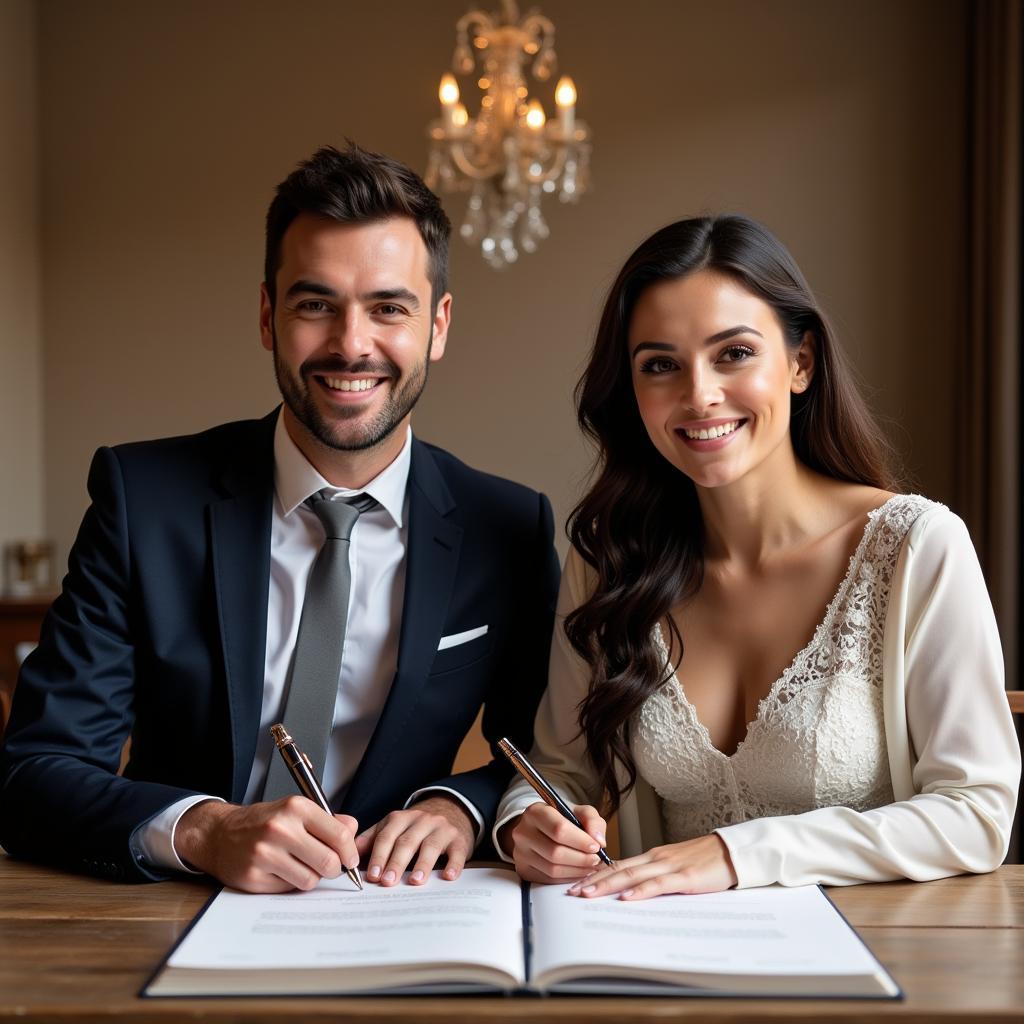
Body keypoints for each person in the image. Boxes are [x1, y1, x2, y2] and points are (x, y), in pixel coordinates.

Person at [0, 144, 560, 893]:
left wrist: (460, 806)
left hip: (398, 910)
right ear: (269, 316)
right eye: (315, 304)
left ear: (439, 326)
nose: (351, 344)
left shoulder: (510, 527)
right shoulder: (144, 499)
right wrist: (202, 829)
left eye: (388, 308)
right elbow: (32, 773)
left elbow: (542, 755)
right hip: (163, 913)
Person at [495, 214, 1021, 897]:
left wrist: (740, 854)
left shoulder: (915, 548)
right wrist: (528, 824)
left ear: (800, 364)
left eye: (734, 353)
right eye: (660, 365)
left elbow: (977, 813)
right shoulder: (608, 562)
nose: (699, 394)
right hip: (674, 981)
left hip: (880, 970)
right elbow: (558, 769)